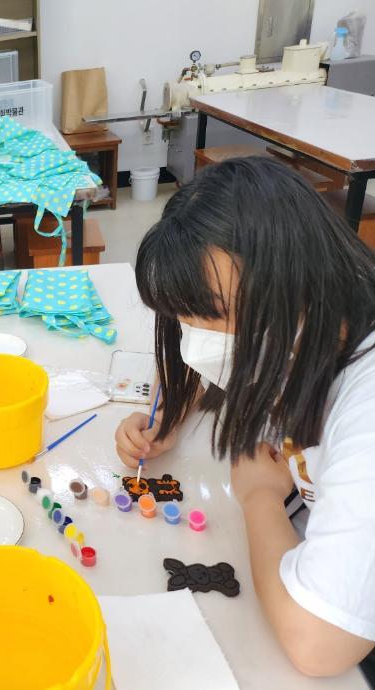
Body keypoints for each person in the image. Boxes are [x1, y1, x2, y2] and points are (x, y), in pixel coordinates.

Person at [114, 157, 375, 679]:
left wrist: (259, 495)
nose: (198, 342)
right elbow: (219, 354)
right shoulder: (307, 320)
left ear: (296, 277)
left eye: (213, 317)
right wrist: (170, 414)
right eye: (184, 321)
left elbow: (319, 645)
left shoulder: (364, 408)